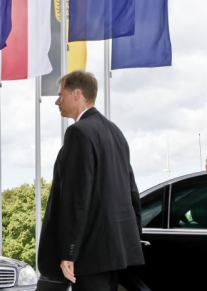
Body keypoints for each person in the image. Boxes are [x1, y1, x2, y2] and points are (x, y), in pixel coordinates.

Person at [36, 71, 144, 291]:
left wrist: (69, 252)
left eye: (61, 95)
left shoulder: (79, 132)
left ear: (77, 94)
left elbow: (77, 197)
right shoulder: (115, 132)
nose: (57, 101)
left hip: (90, 252)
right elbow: (131, 191)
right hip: (114, 251)